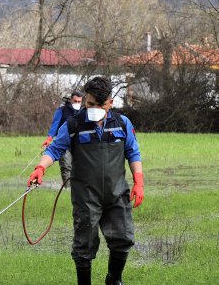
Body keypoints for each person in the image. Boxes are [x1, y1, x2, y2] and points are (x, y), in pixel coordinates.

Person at [28, 76, 144, 285]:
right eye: (89, 104)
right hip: (86, 196)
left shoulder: (122, 124)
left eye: (99, 105)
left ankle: (114, 279)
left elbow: (133, 152)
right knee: (84, 245)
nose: (93, 109)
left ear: (110, 102)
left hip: (116, 193)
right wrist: (40, 168)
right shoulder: (74, 124)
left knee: (123, 238)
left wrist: (139, 182)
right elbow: (54, 149)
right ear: (84, 101)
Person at [41, 91, 83, 187]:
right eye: (75, 101)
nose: (77, 103)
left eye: (79, 101)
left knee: (78, 166)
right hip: (64, 141)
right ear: (71, 100)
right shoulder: (62, 110)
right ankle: (67, 188)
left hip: (78, 143)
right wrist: (49, 138)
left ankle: (77, 186)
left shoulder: (83, 111)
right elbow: (55, 125)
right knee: (66, 166)